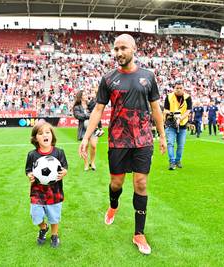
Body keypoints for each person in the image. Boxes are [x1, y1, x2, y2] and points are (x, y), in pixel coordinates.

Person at [78, 34, 167, 255]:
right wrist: (86, 136)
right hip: (118, 139)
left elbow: (156, 108)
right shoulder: (108, 79)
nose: (119, 53)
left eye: (123, 48)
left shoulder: (148, 76)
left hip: (143, 139)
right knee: (116, 183)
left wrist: (163, 135)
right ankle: (114, 206)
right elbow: (98, 109)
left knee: (141, 184)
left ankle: (139, 233)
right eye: (116, 49)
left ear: (134, 49)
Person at [25, 121, 68, 248]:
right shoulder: (32, 155)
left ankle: (54, 235)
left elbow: (65, 167)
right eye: (41, 133)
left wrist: (64, 172)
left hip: (54, 192)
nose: (45, 135)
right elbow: (28, 170)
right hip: (37, 192)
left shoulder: (59, 152)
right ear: (35, 138)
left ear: (52, 136)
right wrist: (30, 175)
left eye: (47, 132)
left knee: (54, 216)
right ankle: (43, 227)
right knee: (36, 216)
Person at [164, 80, 192, 169]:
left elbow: (188, 110)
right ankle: (172, 162)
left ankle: (178, 160)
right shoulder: (169, 96)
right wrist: (173, 114)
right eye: (177, 88)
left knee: (181, 145)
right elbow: (165, 110)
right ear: (174, 88)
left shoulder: (188, 97)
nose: (179, 90)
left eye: (180, 88)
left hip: (182, 124)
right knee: (170, 143)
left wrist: (180, 118)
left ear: (183, 88)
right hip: (171, 124)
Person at [73, 90, 98, 171]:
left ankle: (92, 162)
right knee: (85, 147)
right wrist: (88, 115)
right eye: (84, 94)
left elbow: (96, 113)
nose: (86, 95)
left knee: (93, 146)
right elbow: (78, 116)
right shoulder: (77, 107)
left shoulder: (90, 104)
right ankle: (86, 164)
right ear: (81, 97)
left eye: (87, 94)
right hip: (83, 129)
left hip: (92, 127)